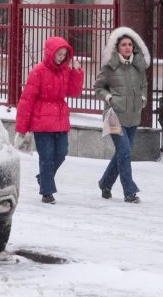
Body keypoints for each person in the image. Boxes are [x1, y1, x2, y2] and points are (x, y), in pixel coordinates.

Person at [15, 37, 84, 204]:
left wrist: (77, 72)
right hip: (41, 121)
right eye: (59, 54)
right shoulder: (38, 71)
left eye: (64, 54)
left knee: (61, 153)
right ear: (50, 53)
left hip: (60, 118)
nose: (61, 57)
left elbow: (73, 92)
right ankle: (47, 192)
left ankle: (43, 177)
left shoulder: (65, 71)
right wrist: (21, 129)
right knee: (46, 157)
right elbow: (26, 100)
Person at [94, 27, 150, 203]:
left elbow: (144, 86)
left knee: (122, 153)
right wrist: (109, 97)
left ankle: (105, 183)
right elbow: (98, 87)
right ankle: (129, 192)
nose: (127, 47)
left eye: (130, 45)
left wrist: (143, 98)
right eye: (124, 45)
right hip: (113, 116)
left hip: (133, 116)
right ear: (117, 47)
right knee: (124, 152)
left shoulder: (138, 67)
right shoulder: (110, 67)